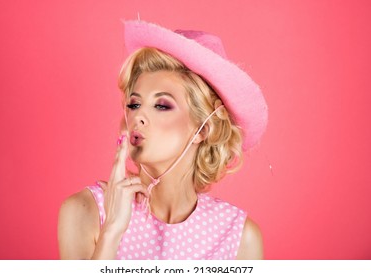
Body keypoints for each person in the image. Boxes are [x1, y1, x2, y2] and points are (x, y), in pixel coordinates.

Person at [58, 20, 268, 260]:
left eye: (161, 105)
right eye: (134, 104)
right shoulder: (85, 211)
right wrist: (112, 231)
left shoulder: (239, 237)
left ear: (203, 129)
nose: (139, 116)